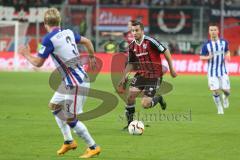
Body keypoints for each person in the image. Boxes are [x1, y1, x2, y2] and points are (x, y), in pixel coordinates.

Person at [18, 8, 101, 158]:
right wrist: (92, 57)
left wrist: (25, 54)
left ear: (45, 24)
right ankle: (69, 141)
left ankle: (93, 146)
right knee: (54, 106)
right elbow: (88, 41)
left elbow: (38, 63)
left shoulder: (49, 39)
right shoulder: (68, 32)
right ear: (59, 21)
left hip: (76, 83)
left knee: (70, 117)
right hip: (73, 79)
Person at [118, 21, 177, 129]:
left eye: (137, 30)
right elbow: (131, 63)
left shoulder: (150, 41)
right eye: (133, 31)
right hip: (141, 74)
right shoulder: (132, 46)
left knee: (145, 104)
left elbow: (165, 51)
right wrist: (124, 77)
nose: (134, 33)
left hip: (154, 76)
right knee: (130, 97)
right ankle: (130, 124)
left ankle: (158, 99)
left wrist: (172, 69)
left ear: (142, 31)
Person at [200, 23, 231, 115]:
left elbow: (227, 50)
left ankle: (225, 98)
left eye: (214, 30)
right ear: (209, 32)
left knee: (227, 92)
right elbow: (201, 57)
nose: (213, 32)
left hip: (223, 71)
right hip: (212, 72)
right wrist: (208, 57)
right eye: (211, 30)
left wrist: (228, 54)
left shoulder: (224, 42)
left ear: (218, 31)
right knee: (215, 90)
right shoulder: (206, 45)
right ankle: (219, 107)